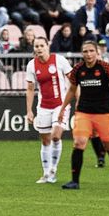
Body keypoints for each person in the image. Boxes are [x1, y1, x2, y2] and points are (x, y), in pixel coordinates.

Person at [57, 41, 109, 190]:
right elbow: (72, 90)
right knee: (79, 142)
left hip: (104, 112)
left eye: (91, 51)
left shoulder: (105, 67)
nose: (88, 54)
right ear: (82, 53)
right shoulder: (78, 69)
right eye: (85, 51)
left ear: (96, 52)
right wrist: (63, 108)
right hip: (84, 112)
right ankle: (75, 181)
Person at [25, 37, 74, 184]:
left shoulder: (59, 60)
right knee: (45, 140)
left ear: (48, 46)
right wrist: (29, 110)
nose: (39, 48)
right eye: (36, 46)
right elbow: (30, 88)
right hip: (43, 107)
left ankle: (53, 170)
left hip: (61, 105)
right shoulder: (31, 65)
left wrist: (78, 99)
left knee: (56, 136)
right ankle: (46, 174)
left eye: (42, 45)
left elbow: (73, 80)